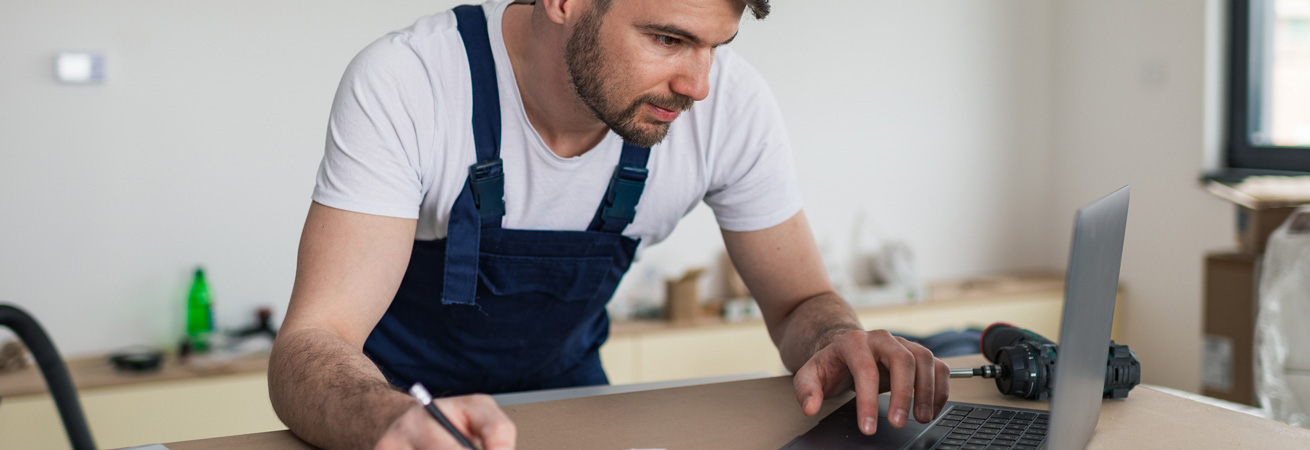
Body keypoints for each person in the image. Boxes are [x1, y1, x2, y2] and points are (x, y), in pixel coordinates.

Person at [268, 0, 950, 448]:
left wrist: (837, 339)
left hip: (574, 406)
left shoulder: (729, 107)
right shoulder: (408, 83)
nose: (699, 86)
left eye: (716, 45)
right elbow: (310, 345)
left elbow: (802, 304)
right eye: (668, 39)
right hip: (397, 416)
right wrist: (388, 419)